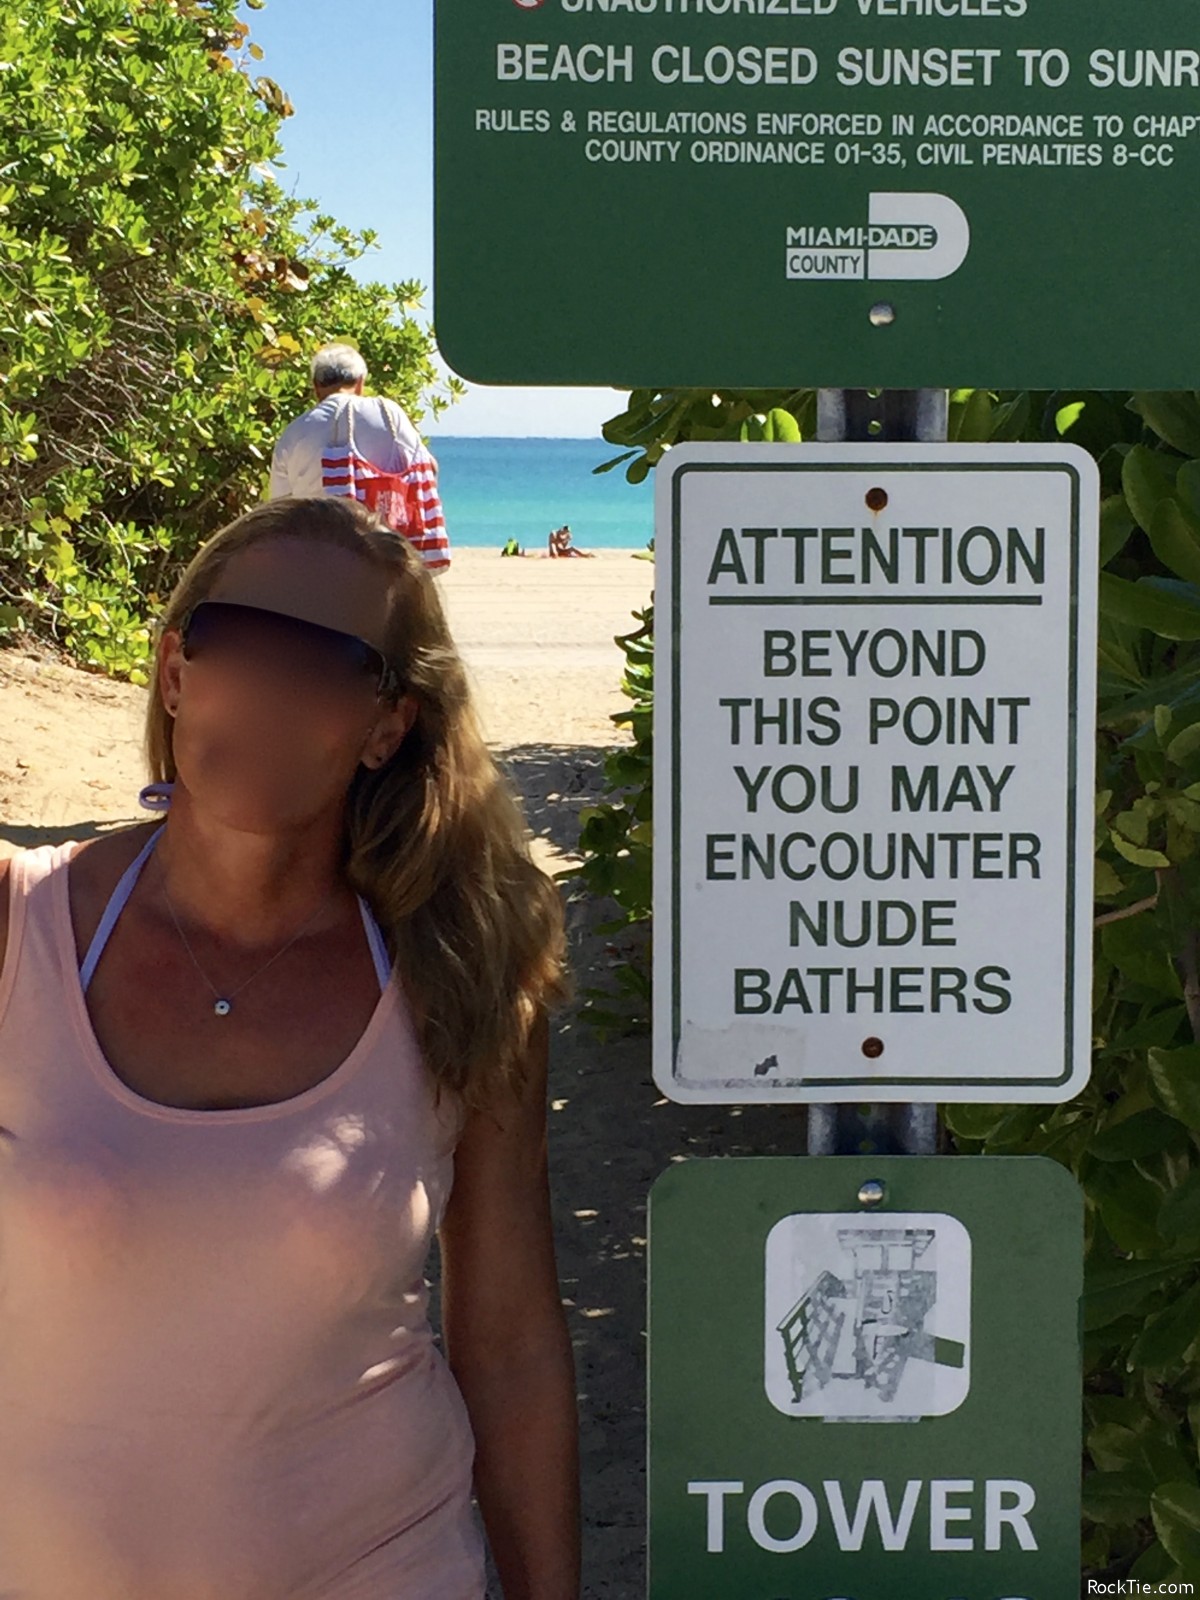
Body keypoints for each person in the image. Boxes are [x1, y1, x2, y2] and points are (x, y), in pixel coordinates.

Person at [0, 495, 580, 1599]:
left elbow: (508, 1345)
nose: (267, 693)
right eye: (238, 643)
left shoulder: (461, 970)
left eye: (322, 664)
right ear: (176, 673)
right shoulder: (17, 928)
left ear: (386, 725)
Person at [269, 343, 450, 573]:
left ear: (316, 387)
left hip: (320, 561)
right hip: (388, 558)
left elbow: (279, 510)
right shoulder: (389, 414)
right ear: (361, 382)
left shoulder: (295, 432)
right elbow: (428, 468)